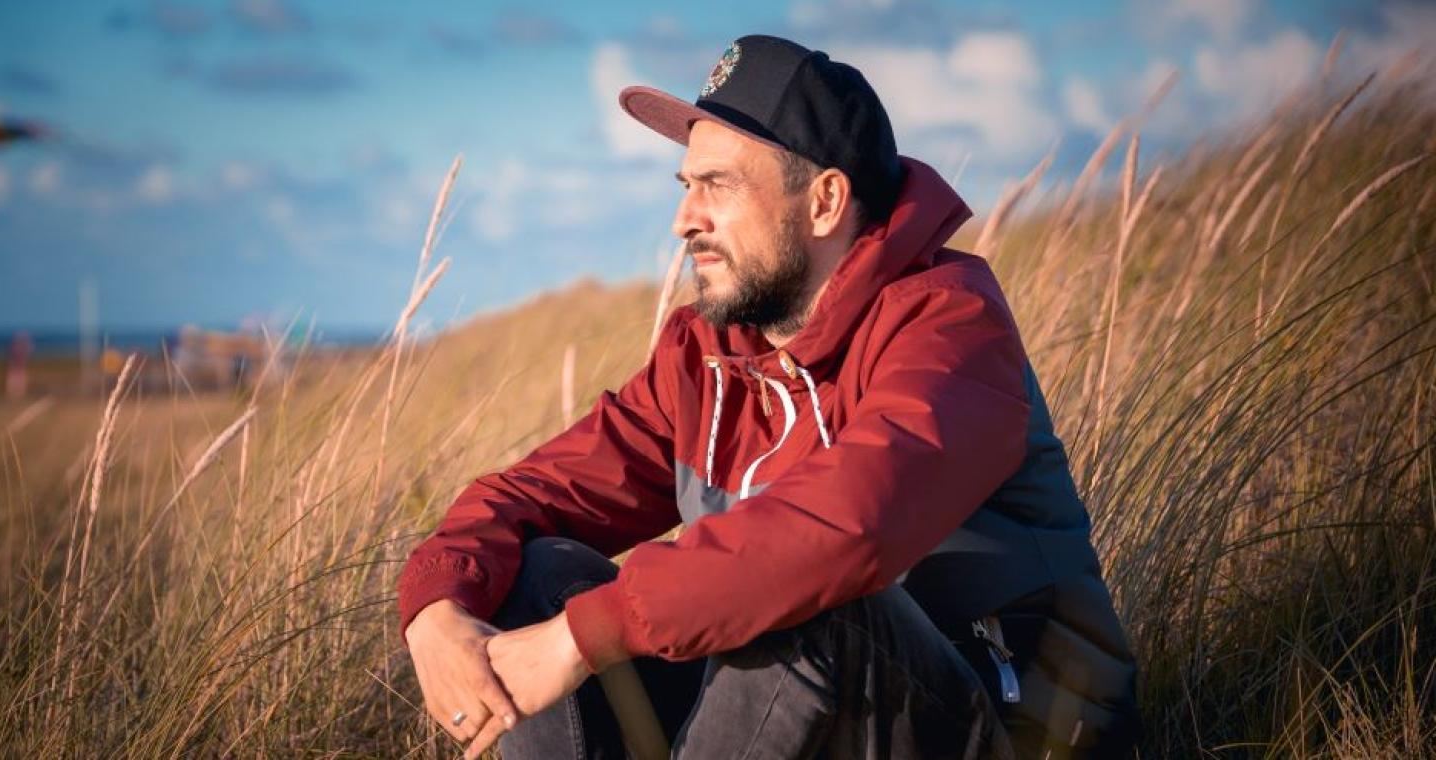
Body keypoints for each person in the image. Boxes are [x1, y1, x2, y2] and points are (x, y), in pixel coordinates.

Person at [398, 34, 1140, 760]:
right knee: (535, 571)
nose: (684, 219)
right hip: (789, 713)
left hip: (1003, 723)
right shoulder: (706, 359)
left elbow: (843, 532)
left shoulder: (949, 323)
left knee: (805, 598)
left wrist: (582, 638)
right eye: (686, 186)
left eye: (718, 185)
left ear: (823, 202)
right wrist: (437, 610)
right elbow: (529, 498)